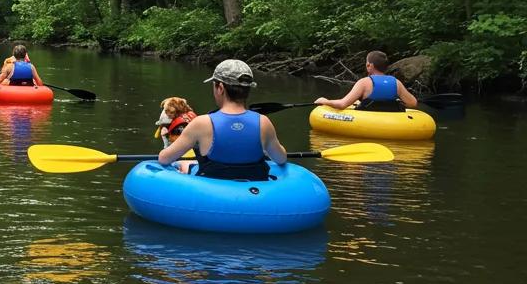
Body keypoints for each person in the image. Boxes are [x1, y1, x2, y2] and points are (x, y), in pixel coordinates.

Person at [158, 59, 287, 179]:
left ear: (220, 88)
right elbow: (281, 159)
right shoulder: (264, 122)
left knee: (184, 164)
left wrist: (187, 163)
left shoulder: (201, 123)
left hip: (212, 194)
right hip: (254, 191)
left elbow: (164, 158)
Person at [315, 51, 417, 113]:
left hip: (369, 120)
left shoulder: (363, 83)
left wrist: (325, 101)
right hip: (391, 123)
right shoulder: (396, 82)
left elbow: (343, 104)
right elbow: (412, 103)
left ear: (370, 65)